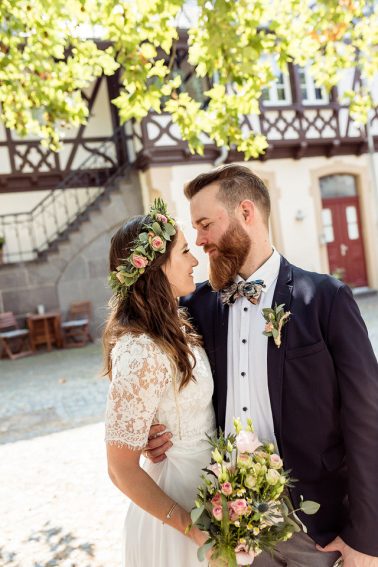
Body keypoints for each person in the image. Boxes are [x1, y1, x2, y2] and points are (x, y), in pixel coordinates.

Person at [146, 165, 378, 567]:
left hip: (321, 531)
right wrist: (150, 424)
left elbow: (367, 419)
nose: (199, 241)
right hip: (234, 531)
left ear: (246, 213)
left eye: (205, 225)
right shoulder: (195, 307)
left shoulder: (325, 299)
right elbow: (148, 356)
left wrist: (368, 537)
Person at [103, 199, 216, 566]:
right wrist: (192, 528)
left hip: (212, 486)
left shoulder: (179, 325)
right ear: (156, 267)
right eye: (185, 251)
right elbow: (120, 468)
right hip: (178, 510)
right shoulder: (139, 350)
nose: (195, 260)